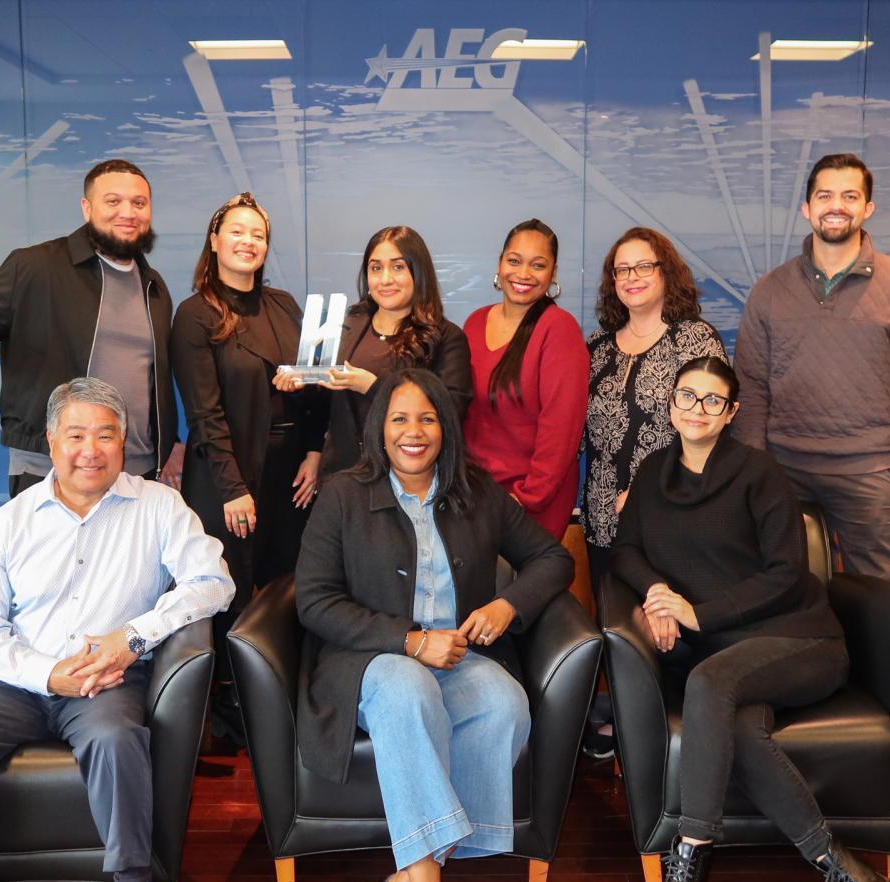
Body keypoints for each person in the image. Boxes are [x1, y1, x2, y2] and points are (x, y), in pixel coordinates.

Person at [0, 377, 234, 882]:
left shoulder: (159, 507)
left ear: (124, 442)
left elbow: (213, 582)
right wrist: (47, 673)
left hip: (110, 679)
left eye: (105, 434)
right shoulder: (11, 520)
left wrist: (133, 638)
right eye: (77, 434)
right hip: (18, 678)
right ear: (53, 443)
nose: (92, 448)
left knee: (116, 738)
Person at [611, 357, 890, 882]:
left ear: (730, 414)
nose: (696, 409)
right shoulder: (651, 473)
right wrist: (657, 597)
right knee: (738, 727)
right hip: (729, 657)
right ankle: (857, 876)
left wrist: (699, 613)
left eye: (711, 401)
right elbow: (626, 550)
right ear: (670, 403)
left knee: (708, 681)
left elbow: (786, 574)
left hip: (800, 640)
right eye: (686, 396)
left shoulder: (759, 473)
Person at [295, 368, 573, 882]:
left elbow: (551, 558)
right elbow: (315, 600)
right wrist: (409, 640)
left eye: (427, 418)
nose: (413, 432)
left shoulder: (476, 492)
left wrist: (507, 604)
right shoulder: (344, 495)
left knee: (504, 703)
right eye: (399, 419)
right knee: (407, 690)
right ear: (379, 429)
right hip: (369, 661)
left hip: (459, 657)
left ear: (446, 428)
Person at [0, 159, 180, 497]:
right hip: (51, 470)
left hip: (136, 473)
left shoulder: (153, 286)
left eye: (138, 203)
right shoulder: (35, 267)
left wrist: (168, 443)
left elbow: (152, 379)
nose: (127, 212)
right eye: (113, 201)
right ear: (87, 208)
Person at [733, 153, 890, 581]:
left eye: (850, 196)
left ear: (868, 208)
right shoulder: (770, 290)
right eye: (825, 195)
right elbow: (751, 387)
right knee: (787, 599)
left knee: (875, 609)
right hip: (784, 475)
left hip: (870, 477)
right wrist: (759, 471)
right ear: (806, 208)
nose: (837, 205)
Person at [169, 192, 326, 745]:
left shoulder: (284, 306)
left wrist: (315, 451)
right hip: (225, 476)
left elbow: (317, 385)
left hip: (290, 471)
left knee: (288, 584)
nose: (248, 242)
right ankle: (229, 706)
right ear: (215, 242)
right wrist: (233, 488)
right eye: (236, 232)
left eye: (257, 234)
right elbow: (204, 413)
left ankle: (276, 692)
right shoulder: (194, 315)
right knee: (227, 591)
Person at [583, 227, 726, 588]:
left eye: (644, 266)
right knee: (613, 629)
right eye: (622, 269)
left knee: (668, 631)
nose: (632, 277)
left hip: (671, 517)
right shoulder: (595, 347)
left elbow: (710, 428)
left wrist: (647, 488)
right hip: (602, 521)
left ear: (666, 272)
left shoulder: (694, 339)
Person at [462, 219, 589, 540]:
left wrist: (524, 498)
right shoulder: (474, 323)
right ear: (499, 263)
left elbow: (561, 431)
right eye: (514, 261)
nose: (523, 274)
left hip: (530, 505)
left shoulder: (559, 329)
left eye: (538, 265)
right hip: (473, 497)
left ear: (553, 273)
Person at [317, 225, 472, 474]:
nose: (385, 278)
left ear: (418, 273)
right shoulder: (347, 325)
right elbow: (325, 405)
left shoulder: (447, 337)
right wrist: (299, 383)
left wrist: (374, 388)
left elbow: (450, 414)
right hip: (343, 476)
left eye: (398, 267)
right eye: (376, 268)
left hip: (408, 478)